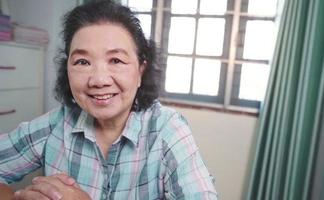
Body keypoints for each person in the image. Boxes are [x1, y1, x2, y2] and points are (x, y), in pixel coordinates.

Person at [0, 1, 218, 199]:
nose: (98, 80)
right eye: (83, 62)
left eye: (116, 60)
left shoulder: (168, 130)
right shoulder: (56, 124)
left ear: (141, 70)